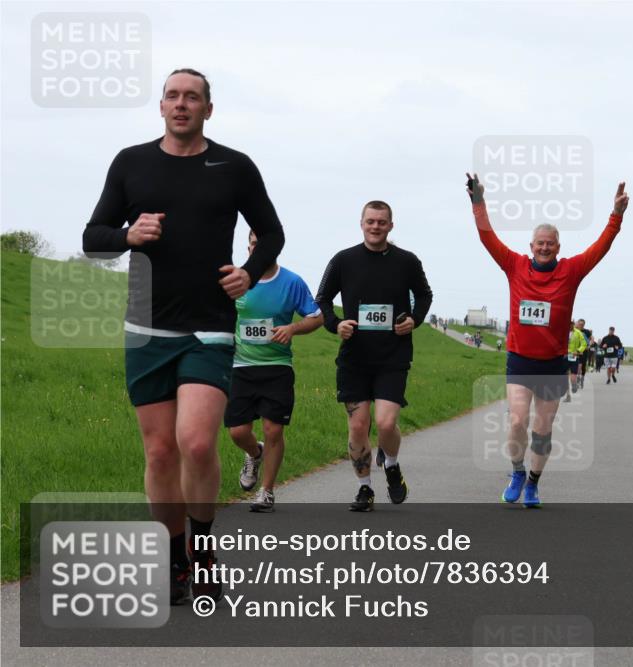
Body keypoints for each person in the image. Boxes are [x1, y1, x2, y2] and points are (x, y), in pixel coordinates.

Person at [82, 68, 285, 604]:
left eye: (191, 97)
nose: (180, 104)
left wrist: (250, 268)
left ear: (208, 110)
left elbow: (274, 230)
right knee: (159, 453)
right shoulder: (132, 163)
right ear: (162, 107)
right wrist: (128, 235)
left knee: (195, 441)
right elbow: (92, 239)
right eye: (172, 96)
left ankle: (204, 551)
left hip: (209, 325)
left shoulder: (234, 167)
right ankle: (174, 561)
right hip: (146, 325)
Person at [467, 172, 628, 508]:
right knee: (516, 421)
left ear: (558, 247)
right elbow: (487, 238)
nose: (544, 247)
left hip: (553, 364)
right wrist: (478, 201)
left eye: (550, 243)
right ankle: (516, 471)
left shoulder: (571, 270)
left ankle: (534, 484)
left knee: (542, 430)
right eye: (539, 243)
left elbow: (602, 247)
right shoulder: (514, 265)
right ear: (531, 246)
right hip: (521, 359)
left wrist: (616, 215)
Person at [315, 200, 432, 512]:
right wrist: (335, 324)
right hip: (355, 357)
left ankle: (391, 464)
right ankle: (364, 489)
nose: (376, 226)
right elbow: (323, 298)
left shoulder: (407, 261)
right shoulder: (343, 260)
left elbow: (424, 294)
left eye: (382, 222)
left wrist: (414, 320)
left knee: (386, 422)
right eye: (371, 221)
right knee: (357, 427)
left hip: (392, 356)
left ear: (391, 225)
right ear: (362, 223)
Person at [226, 230, 322, 513]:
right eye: (254, 244)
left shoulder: (292, 282)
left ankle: (266, 492)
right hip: (241, 367)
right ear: (248, 247)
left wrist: (292, 328)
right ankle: (254, 453)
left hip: (277, 367)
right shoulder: (235, 280)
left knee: (273, 429)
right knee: (237, 432)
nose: (258, 249)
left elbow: (316, 317)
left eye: (263, 244)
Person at [564, 318, 588, 402]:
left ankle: (574, 385)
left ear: (573, 324)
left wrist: (578, 351)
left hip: (573, 356)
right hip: (564, 356)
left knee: (572, 378)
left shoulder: (578, 333)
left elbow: (584, 344)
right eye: (568, 324)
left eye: (571, 324)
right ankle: (568, 395)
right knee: (565, 377)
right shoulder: (562, 332)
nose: (570, 325)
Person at [576, 319, 593, 388]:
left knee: (583, 367)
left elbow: (592, 339)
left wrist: (589, 345)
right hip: (576, 351)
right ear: (578, 324)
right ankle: (578, 379)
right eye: (580, 324)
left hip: (584, 351)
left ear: (584, 325)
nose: (581, 325)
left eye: (582, 324)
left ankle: (582, 379)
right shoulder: (575, 330)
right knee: (578, 366)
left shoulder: (587, 332)